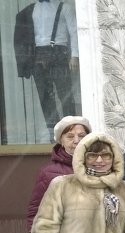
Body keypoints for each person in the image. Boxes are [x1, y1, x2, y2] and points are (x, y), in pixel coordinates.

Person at [15, 0, 79, 139]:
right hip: (38, 56)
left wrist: (74, 55)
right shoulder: (29, 10)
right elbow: (23, 37)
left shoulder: (65, 8)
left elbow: (74, 32)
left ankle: (72, 130)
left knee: (65, 95)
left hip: (59, 54)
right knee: (45, 96)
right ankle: (54, 132)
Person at [26, 115, 91, 231]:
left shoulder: (100, 166)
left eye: (81, 136)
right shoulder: (48, 173)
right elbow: (36, 212)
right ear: (61, 141)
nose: (77, 140)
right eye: (70, 136)